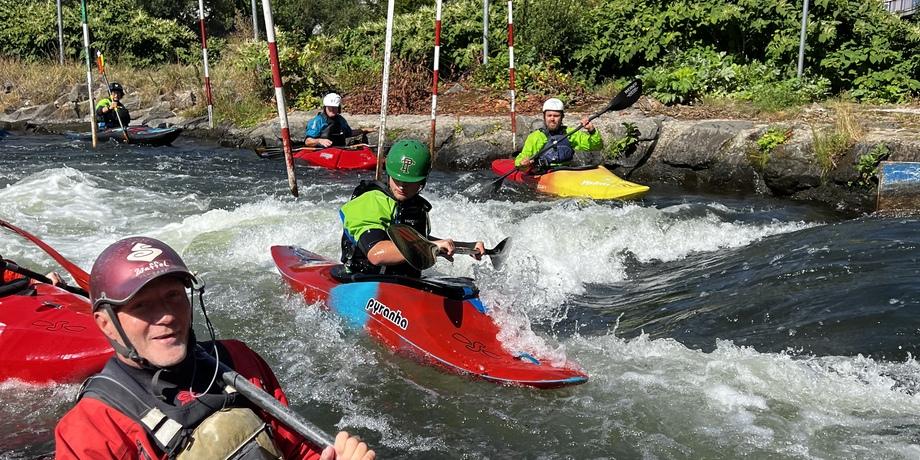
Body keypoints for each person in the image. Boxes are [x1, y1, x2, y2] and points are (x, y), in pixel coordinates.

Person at [54, 237, 374, 460]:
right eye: (141, 306)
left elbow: (294, 450)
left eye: (173, 297)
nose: (165, 316)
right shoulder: (91, 428)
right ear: (106, 323)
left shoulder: (238, 360)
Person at [339, 139, 485, 278]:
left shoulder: (415, 206)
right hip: (362, 279)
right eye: (397, 179)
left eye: (409, 182)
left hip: (402, 282)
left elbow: (417, 240)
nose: (402, 186)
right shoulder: (368, 202)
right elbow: (376, 254)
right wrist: (430, 246)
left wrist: (467, 247)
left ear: (422, 181)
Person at [514, 97, 603, 172]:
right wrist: (522, 163)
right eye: (549, 116)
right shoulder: (536, 137)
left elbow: (596, 146)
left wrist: (592, 131)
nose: (552, 119)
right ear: (544, 117)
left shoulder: (570, 133)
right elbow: (522, 158)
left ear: (562, 117)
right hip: (544, 173)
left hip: (567, 171)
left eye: (556, 116)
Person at [304, 93, 370, 148]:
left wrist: (363, 130)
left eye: (335, 108)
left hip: (340, 151)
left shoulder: (341, 120)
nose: (332, 110)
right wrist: (319, 141)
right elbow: (308, 141)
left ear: (339, 108)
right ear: (325, 107)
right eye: (330, 107)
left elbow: (349, 133)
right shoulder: (317, 121)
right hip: (321, 153)